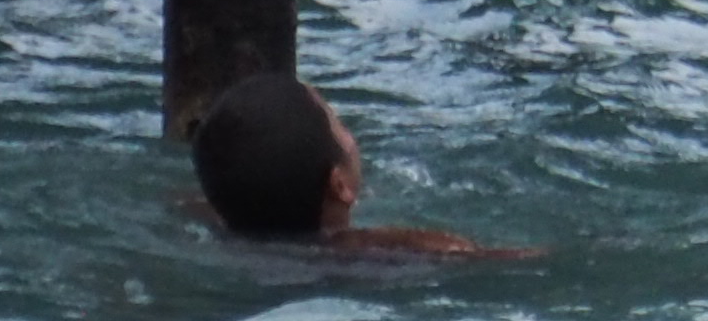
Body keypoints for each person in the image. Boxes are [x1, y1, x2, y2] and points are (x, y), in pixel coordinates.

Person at [187, 70, 517, 256]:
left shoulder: (220, 220)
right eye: (340, 125)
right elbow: (492, 260)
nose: (351, 135)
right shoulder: (383, 249)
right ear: (340, 185)